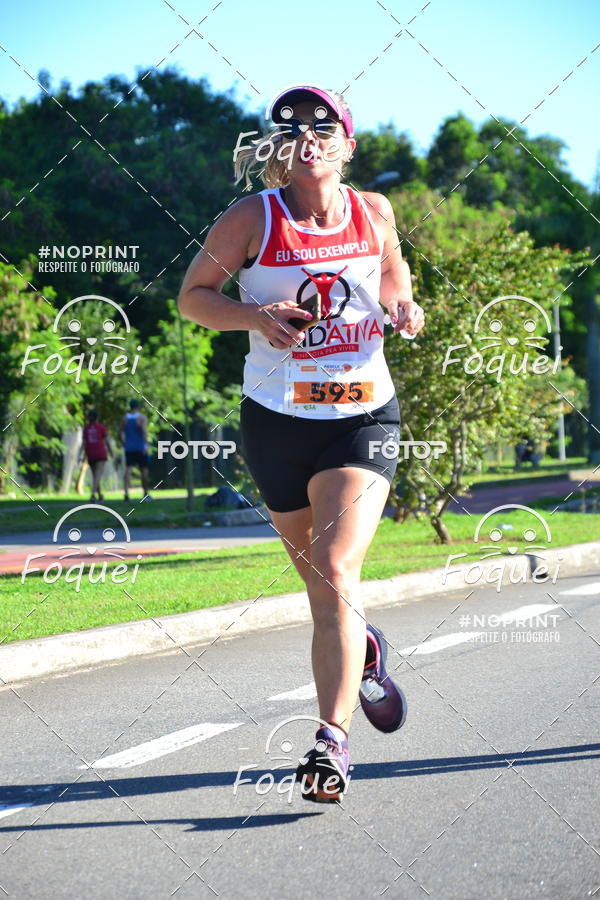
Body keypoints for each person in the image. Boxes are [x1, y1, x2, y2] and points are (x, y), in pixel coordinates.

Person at [178, 85, 425, 802]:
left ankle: (331, 745)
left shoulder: (374, 211)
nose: (307, 137)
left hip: (362, 416)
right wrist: (255, 316)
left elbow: (390, 273)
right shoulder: (252, 218)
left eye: (323, 127)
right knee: (324, 592)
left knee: (334, 569)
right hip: (277, 421)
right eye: (291, 129)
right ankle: (366, 650)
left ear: (347, 144)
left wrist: (402, 303)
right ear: (277, 149)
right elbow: (194, 298)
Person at [121, 398, 151, 501]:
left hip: (129, 447)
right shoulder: (141, 418)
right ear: (138, 406)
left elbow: (119, 432)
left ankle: (126, 493)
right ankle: (146, 493)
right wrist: (146, 445)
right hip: (140, 447)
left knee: (128, 469)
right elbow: (144, 432)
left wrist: (123, 442)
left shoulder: (125, 418)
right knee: (144, 470)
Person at [80, 409, 112, 502]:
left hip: (90, 453)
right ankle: (93, 495)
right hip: (100, 453)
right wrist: (110, 451)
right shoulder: (101, 427)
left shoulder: (86, 429)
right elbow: (106, 441)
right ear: (97, 417)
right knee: (97, 475)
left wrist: (80, 455)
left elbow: (84, 443)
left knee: (95, 476)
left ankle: (100, 494)